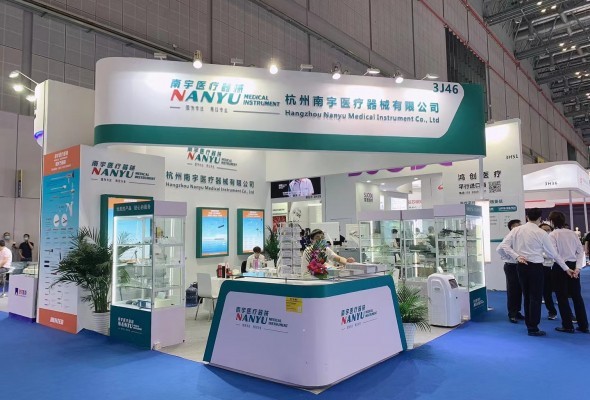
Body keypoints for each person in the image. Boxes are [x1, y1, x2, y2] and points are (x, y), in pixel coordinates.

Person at [498, 208, 573, 336]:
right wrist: (566, 268)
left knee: (527, 296)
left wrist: (516, 256)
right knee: (536, 297)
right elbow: (553, 254)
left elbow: (502, 246)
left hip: (521, 266)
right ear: (540, 218)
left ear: (527, 217)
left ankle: (530, 325)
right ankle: (533, 327)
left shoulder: (516, 230)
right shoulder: (541, 232)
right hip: (536, 267)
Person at [548, 211, 589, 334]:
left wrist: (566, 268)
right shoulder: (572, 233)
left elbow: (555, 255)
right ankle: (583, 325)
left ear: (551, 221)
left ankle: (567, 325)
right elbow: (580, 252)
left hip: (560, 267)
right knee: (577, 296)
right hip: (573, 266)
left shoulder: (552, 235)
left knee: (562, 297)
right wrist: (578, 268)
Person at [497, 219, 525, 323]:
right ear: (512, 227)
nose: (520, 227)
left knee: (519, 289)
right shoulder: (509, 237)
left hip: (519, 265)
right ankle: (512, 313)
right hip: (511, 266)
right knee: (512, 290)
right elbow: (499, 249)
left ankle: (517, 311)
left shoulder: (520, 237)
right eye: (517, 225)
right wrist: (508, 258)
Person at [539, 223, 558, 320]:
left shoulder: (554, 240)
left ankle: (552, 312)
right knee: (537, 292)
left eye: (548, 230)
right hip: (539, 267)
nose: (546, 232)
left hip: (552, 268)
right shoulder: (536, 240)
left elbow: (554, 254)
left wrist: (543, 255)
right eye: (544, 230)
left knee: (548, 292)